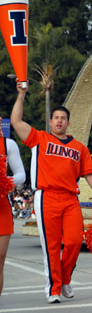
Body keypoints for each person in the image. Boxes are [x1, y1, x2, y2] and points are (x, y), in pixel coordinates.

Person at [11, 81, 92, 304]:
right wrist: (21, 95)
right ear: (50, 122)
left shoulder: (79, 148)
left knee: (75, 241)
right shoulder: (39, 139)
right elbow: (16, 121)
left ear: (68, 123)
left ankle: (65, 278)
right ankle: (54, 287)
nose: (59, 121)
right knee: (51, 244)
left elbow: (90, 175)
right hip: (46, 196)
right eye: (56, 118)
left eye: (63, 118)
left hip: (70, 199)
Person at [0, 115, 26, 296]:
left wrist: (3, 181)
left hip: (2, 207)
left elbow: (21, 175)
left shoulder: (8, 145)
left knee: (0, 260)